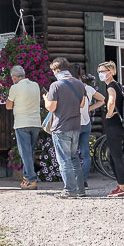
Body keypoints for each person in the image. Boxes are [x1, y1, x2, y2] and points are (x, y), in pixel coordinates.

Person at [44, 57, 87, 198]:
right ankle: (80, 190)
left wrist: (45, 100)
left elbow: (52, 107)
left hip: (61, 126)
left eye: (53, 71)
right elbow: (81, 105)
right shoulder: (79, 84)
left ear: (57, 70)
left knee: (64, 160)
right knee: (74, 158)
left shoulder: (55, 86)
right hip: (76, 125)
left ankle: (70, 191)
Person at [5, 65, 42, 189]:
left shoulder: (15, 87)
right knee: (29, 152)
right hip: (35, 122)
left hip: (22, 123)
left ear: (14, 77)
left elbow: (8, 106)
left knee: (25, 153)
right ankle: (26, 178)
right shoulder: (35, 85)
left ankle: (31, 180)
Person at [96, 61, 124, 197]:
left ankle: (122, 188)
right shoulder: (118, 85)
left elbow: (111, 101)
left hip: (114, 125)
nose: (101, 74)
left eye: (103, 71)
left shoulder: (111, 86)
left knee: (115, 156)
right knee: (111, 155)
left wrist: (109, 114)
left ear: (110, 72)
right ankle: (120, 185)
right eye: (99, 72)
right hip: (119, 125)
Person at [73, 70, 105, 191]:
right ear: (81, 77)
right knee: (86, 154)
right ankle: (84, 180)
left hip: (74, 124)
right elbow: (102, 99)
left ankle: (77, 181)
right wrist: (90, 108)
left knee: (73, 153)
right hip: (86, 123)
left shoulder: (70, 88)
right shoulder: (88, 88)